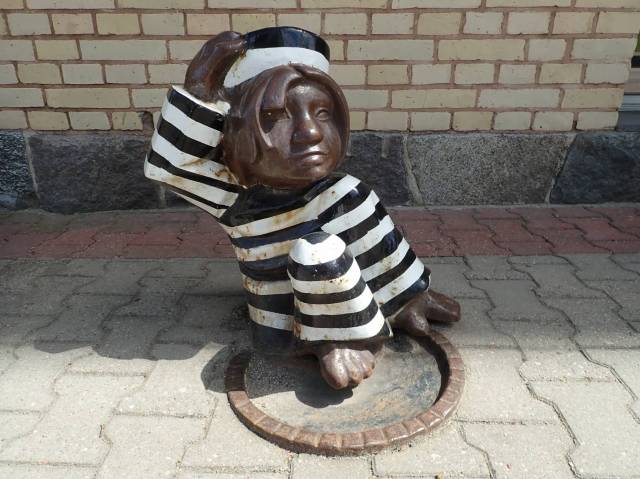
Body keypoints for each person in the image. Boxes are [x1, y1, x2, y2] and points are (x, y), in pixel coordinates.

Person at [145, 28, 460, 390]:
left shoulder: (339, 191)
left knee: (354, 195)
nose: (310, 132)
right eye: (277, 116)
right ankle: (334, 340)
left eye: (322, 112)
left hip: (351, 286)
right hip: (285, 319)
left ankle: (404, 302)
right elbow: (168, 167)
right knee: (316, 252)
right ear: (239, 128)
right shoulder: (236, 197)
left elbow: (376, 243)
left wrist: (408, 292)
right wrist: (200, 90)